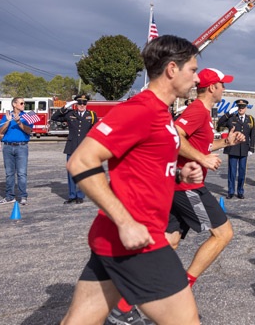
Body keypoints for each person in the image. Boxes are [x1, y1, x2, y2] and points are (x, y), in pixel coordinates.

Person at [62, 35, 204, 325]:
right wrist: (126, 223)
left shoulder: (162, 112)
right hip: (138, 240)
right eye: (193, 69)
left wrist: (179, 173)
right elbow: (80, 161)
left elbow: (143, 167)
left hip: (115, 237)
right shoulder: (141, 109)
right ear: (172, 69)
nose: (197, 78)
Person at [166, 68, 244, 289]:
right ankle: (183, 287)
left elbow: (203, 145)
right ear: (212, 88)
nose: (224, 88)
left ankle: (129, 290)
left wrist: (227, 142)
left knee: (170, 239)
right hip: (187, 187)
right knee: (223, 233)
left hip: (180, 186)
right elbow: (175, 136)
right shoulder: (198, 110)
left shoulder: (205, 113)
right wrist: (202, 158)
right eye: (222, 84)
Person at [51, 94, 98, 204]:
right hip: (71, 147)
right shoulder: (70, 114)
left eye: (84, 103)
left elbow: (95, 131)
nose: (82, 105)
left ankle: (80, 195)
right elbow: (54, 117)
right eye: (79, 103)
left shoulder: (91, 115)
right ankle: (72, 195)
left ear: (86, 104)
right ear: (76, 104)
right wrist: (67, 105)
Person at [0, 97, 34, 205]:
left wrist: (19, 122)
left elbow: (29, 131)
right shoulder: (6, 116)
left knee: (22, 173)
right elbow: (0, 131)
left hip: (22, 146)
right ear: (14, 104)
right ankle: (9, 197)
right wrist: (8, 122)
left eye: (24, 103)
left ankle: (23, 196)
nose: (23, 105)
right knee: (9, 173)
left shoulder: (28, 115)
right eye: (21, 103)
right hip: (7, 146)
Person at [216, 99, 255, 199]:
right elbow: (220, 123)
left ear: (246, 108)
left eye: (243, 107)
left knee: (242, 172)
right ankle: (230, 191)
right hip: (233, 148)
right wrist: (228, 113)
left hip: (244, 149)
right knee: (232, 172)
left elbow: (252, 135)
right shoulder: (231, 118)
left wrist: (251, 148)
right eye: (239, 107)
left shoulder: (250, 119)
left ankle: (240, 191)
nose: (241, 109)